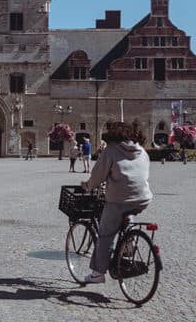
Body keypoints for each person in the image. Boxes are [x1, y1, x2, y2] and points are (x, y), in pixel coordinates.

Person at [80, 121, 153, 284]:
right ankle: (129, 240)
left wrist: (88, 185)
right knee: (128, 211)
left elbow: (98, 177)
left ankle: (98, 274)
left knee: (106, 235)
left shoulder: (111, 150)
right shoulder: (141, 151)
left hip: (119, 199)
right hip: (143, 198)